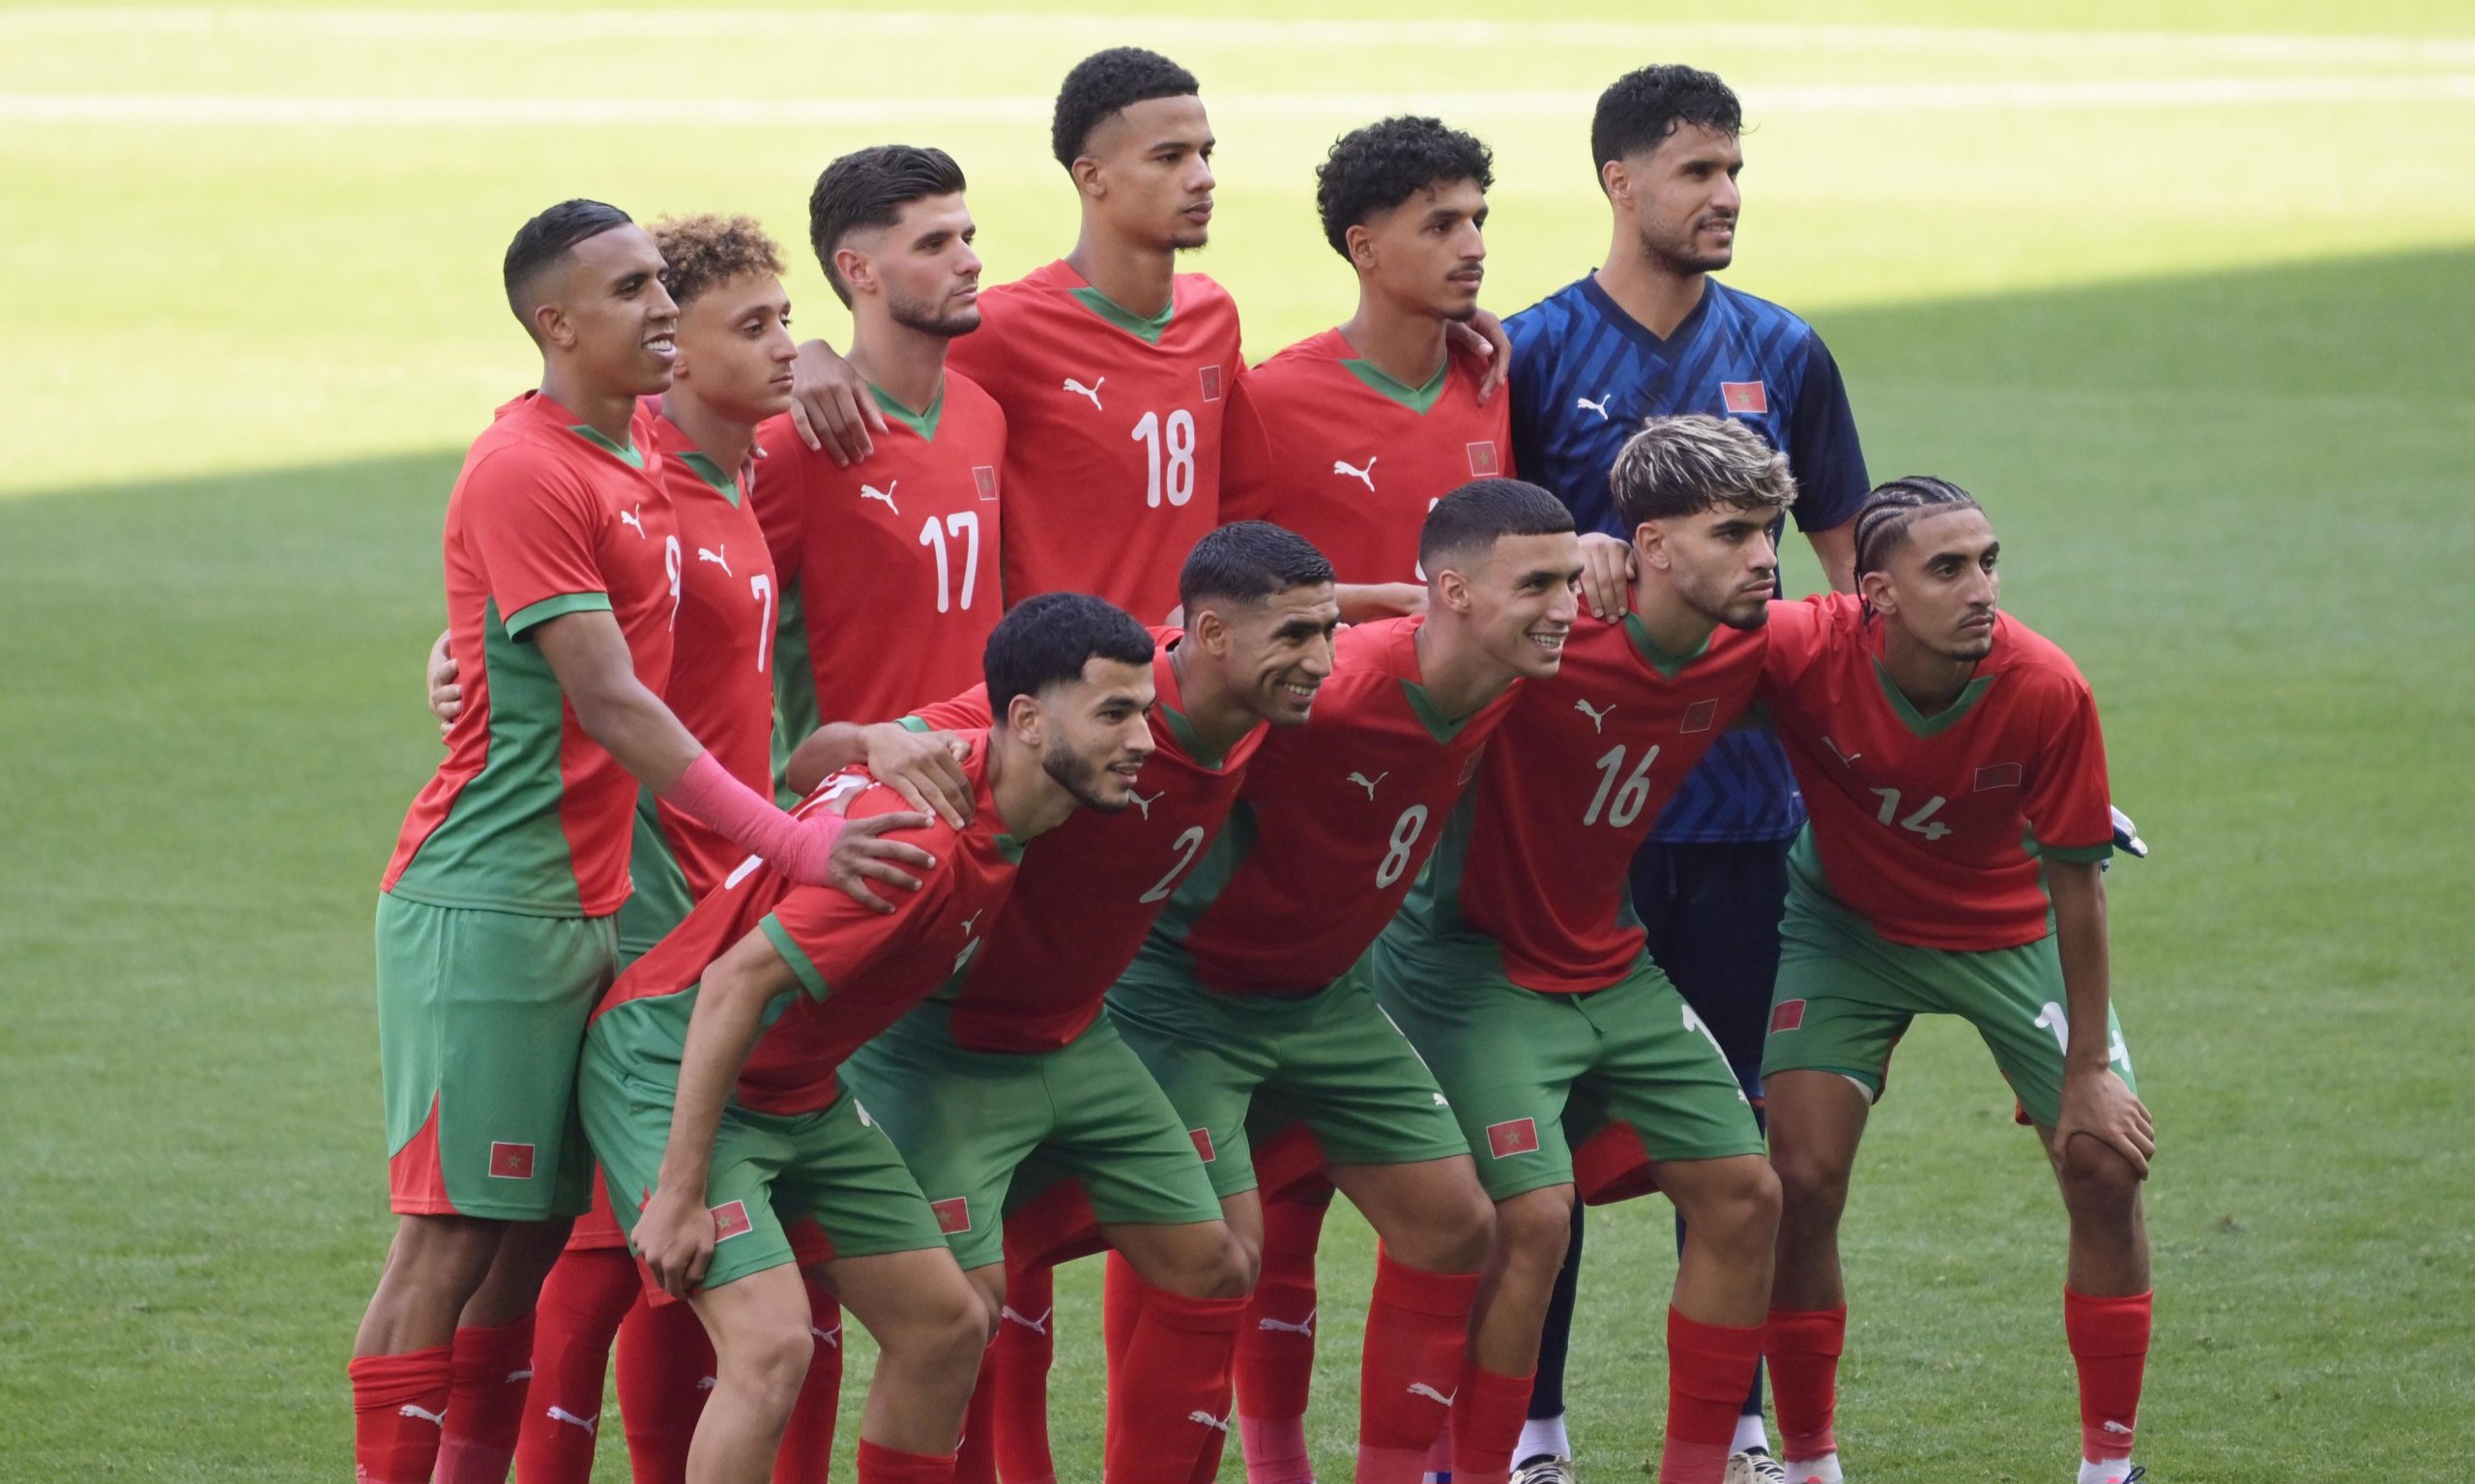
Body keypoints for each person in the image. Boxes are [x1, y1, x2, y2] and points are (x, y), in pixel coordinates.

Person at [350, 200, 895, 1484]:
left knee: (530, 1244)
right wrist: (788, 844)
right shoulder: (528, 465)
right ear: (556, 324)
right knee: (446, 1242)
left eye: (662, 283)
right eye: (634, 291)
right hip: (490, 904)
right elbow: (610, 699)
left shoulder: (631, 454)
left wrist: (822, 348)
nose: (661, 307)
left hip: (591, 903)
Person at [790, 522, 1345, 1484]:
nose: (1321, 662)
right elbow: (814, 766)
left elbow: (1398, 625)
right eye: (1297, 636)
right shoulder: (1083, 701)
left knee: (1214, 1263)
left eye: (1326, 633)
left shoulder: (1262, 698)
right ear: (1212, 637)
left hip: (1080, 1037)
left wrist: (1414, 593)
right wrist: (873, 739)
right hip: (944, 1046)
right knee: (958, 1313)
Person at [576, 593, 1162, 1484]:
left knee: (947, 1324)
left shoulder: (969, 752)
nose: (1144, 740)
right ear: (1028, 720)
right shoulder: (917, 850)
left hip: (798, 1088)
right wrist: (679, 1190)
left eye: (1145, 712)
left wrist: (867, 735)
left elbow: (805, 760)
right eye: (1115, 714)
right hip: (670, 1057)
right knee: (772, 1346)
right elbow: (731, 986)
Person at [1502, 66, 1871, 1484]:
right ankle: (1535, 1432)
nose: (1724, 197)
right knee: (1547, 1147)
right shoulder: (1531, 352)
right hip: (1571, 827)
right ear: (1621, 179)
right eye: (1697, 172)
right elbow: (1478, 557)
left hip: (1740, 814)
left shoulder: (1783, 349)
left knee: (1734, 1135)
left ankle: (1740, 1425)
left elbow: (1850, 579)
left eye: (1734, 172)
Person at [1106, 480, 1581, 1484]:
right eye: (1539, 582)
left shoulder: (1507, 666)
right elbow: (1177, 663)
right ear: (1457, 591)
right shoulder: (1323, 695)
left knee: (1455, 1222)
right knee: (1209, 1259)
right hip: (1189, 999)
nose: (1565, 607)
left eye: (1571, 579)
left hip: (1329, 1000)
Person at [1373, 416, 1795, 1484]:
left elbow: (1887, 653)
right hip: (1474, 969)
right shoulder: (1544, 633)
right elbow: (1403, 624)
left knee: (1747, 1193)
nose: (1764, 556)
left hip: (1613, 960)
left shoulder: (1750, 641)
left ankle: (1702, 1467)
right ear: (1650, 545)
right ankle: (1483, 1466)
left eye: (1771, 530)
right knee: (1532, 1218)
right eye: (1734, 532)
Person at [1209, 111, 1515, 1482]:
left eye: (1478, 218)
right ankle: (1277, 1458)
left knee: (1444, 1181)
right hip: (1303, 823)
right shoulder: (1274, 399)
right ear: (1362, 244)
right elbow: (1208, 586)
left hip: (1447, 824)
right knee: (1286, 1189)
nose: (1471, 245)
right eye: (1440, 223)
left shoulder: (1487, 384)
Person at [1753, 480, 2151, 1484]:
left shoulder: (2046, 686)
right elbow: (1678, 636)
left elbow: (2080, 887)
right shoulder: (1801, 647)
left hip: (2008, 928)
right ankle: (1807, 1463)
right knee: (1799, 1178)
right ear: (1876, 592)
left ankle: (2109, 1467)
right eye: (1948, 568)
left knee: (2104, 1162)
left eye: (1988, 561)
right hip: (1847, 928)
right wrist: (1603, 560)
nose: (1982, 588)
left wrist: (2086, 1070)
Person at [757, 146, 1006, 788]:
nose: (970, 261)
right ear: (857, 269)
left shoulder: (984, 414)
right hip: (856, 813)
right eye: (934, 245)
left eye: (968, 237)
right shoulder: (794, 443)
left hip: (984, 795)